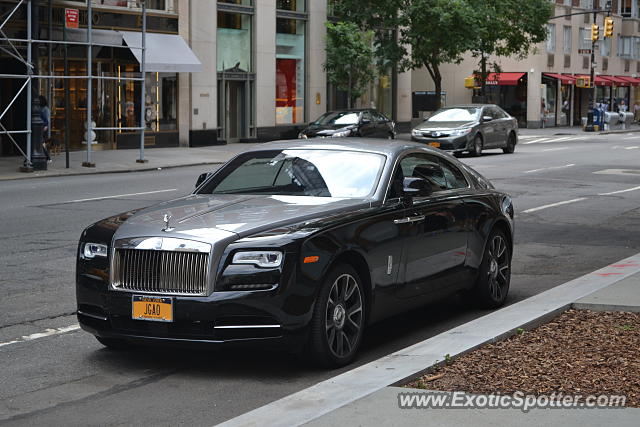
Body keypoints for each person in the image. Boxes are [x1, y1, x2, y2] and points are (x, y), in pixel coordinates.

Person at [38, 95, 51, 163]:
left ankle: (47, 157)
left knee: (42, 143)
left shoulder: (45, 109)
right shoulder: (40, 108)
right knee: (42, 142)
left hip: (43, 128)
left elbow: (47, 120)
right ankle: (47, 157)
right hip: (41, 127)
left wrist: (46, 126)